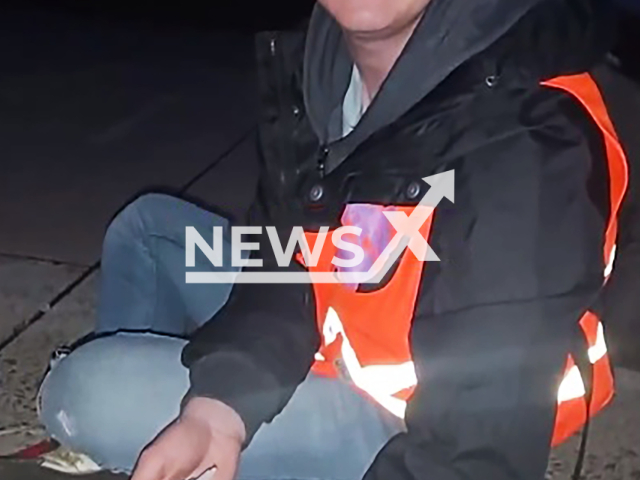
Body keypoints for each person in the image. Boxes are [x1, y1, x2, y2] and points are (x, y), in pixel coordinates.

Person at [37, 0, 631, 479]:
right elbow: (280, 266)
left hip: (410, 418)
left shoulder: (522, 136)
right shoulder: (321, 75)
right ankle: (160, 452)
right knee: (149, 230)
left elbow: (474, 450)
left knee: (82, 391)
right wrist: (220, 406)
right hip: (341, 325)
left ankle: (142, 436)